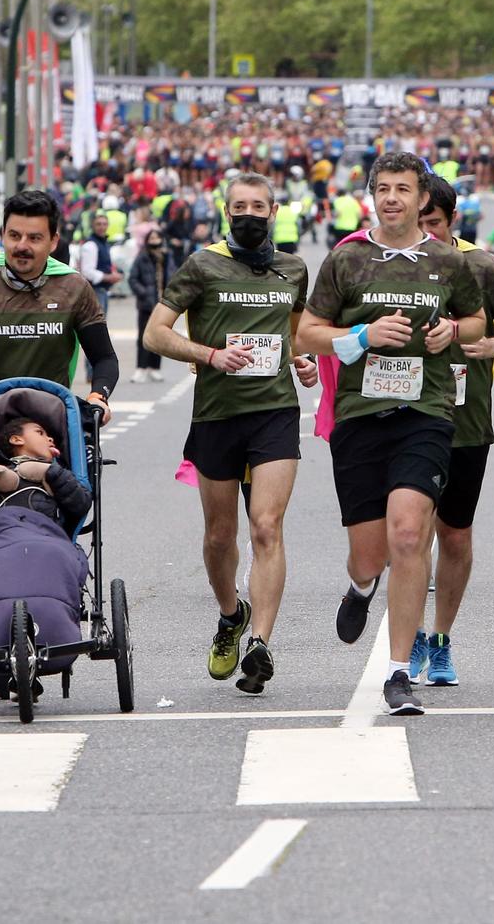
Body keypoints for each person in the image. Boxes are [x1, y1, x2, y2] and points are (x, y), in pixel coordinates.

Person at [297, 152, 485, 716]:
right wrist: (361, 334)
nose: (393, 199)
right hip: (359, 415)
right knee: (370, 555)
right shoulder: (347, 259)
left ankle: (399, 670)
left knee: (410, 536)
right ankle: (360, 588)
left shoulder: (446, 262)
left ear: (421, 197)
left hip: (426, 412)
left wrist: (452, 329)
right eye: (383, 189)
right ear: (371, 195)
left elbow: (476, 321)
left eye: (403, 190)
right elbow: (307, 332)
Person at [143, 172, 315, 695]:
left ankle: (260, 642)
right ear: (225, 211)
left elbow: (295, 333)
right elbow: (155, 333)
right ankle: (231, 615)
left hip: (275, 412)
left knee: (266, 527)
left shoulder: (294, 269)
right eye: (238, 205)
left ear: (274, 212)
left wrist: (303, 360)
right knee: (220, 536)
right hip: (217, 414)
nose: (248, 213)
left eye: (258, 205)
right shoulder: (201, 265)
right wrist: (210, 355)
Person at [412, 175, 494, 686]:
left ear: (451, 219)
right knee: (407, 534)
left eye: (432, 224)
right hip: (401, 420)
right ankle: (409, 635)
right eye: (415, 224)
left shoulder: (481, 266)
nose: (423, 234)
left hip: (464, 423)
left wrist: (493, 347)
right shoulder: (379, 262)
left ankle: (439, 639)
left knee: (453, 535)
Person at [0, 189, 119, 425]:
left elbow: (105, 358)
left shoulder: (74, 287)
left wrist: (99, 397)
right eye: (14, 236)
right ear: (3, 235)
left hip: (52, 427)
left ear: (53, 241)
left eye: (34, 238)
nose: (22, 246)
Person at [0, 390, 95, 703]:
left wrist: (51, 473)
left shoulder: (58, 478)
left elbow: (80, 504)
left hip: (47, 543)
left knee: (50, 558)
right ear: (16, 440)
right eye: (41, 433)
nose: (49, 439)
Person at [126, 231, 173, 384]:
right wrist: (144, 293)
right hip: (146, 304)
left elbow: (174, 276)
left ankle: (155, 368)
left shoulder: (166, 257)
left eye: (157, 237)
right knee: (143, 337)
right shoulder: (142, 257)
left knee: (160, 336)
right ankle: (141, 368)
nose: (155, 240)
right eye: (152, 238)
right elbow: (133, 278)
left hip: (163, 304)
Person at [77, 212, 123, 313]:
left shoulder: (104, 243)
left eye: (104, 224)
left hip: (103, 290)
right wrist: (109, 277)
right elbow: (87, 271)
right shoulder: (90, 245)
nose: (102, 227)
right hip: (94, 291)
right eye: (99, 224)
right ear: (93, 226)